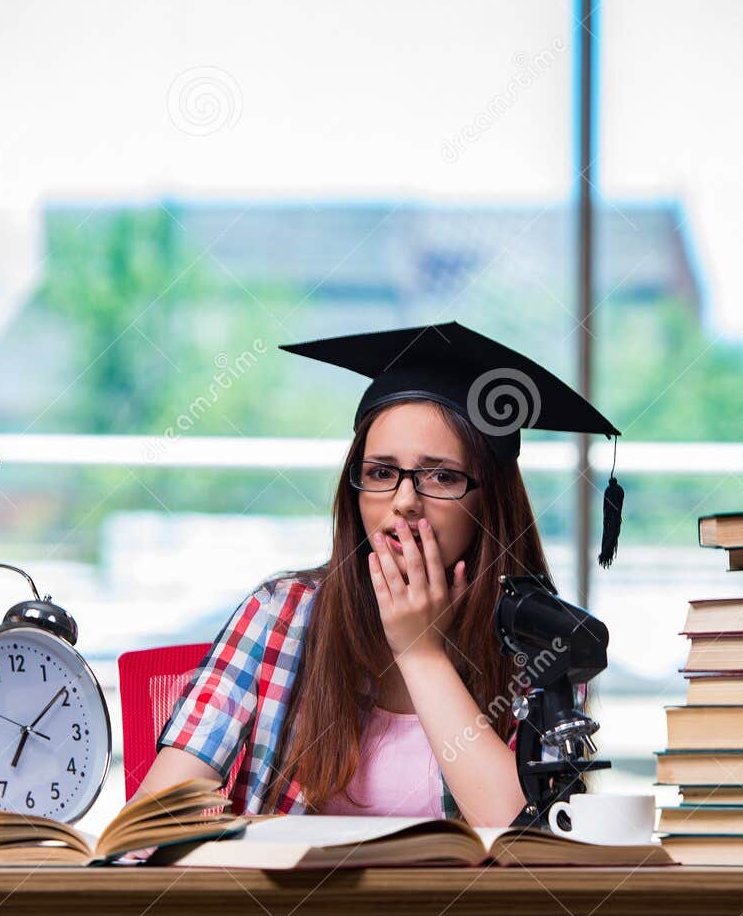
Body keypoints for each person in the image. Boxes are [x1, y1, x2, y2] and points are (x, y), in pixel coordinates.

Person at [134, 322, 623, 826]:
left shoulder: (540, 639)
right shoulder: (282, 614)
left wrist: (420, 652)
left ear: (490, 503)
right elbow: (152, 820)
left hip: (467, 906)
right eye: (381, 473)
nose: (405, 501)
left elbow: (530, 843)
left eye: (441, 476)